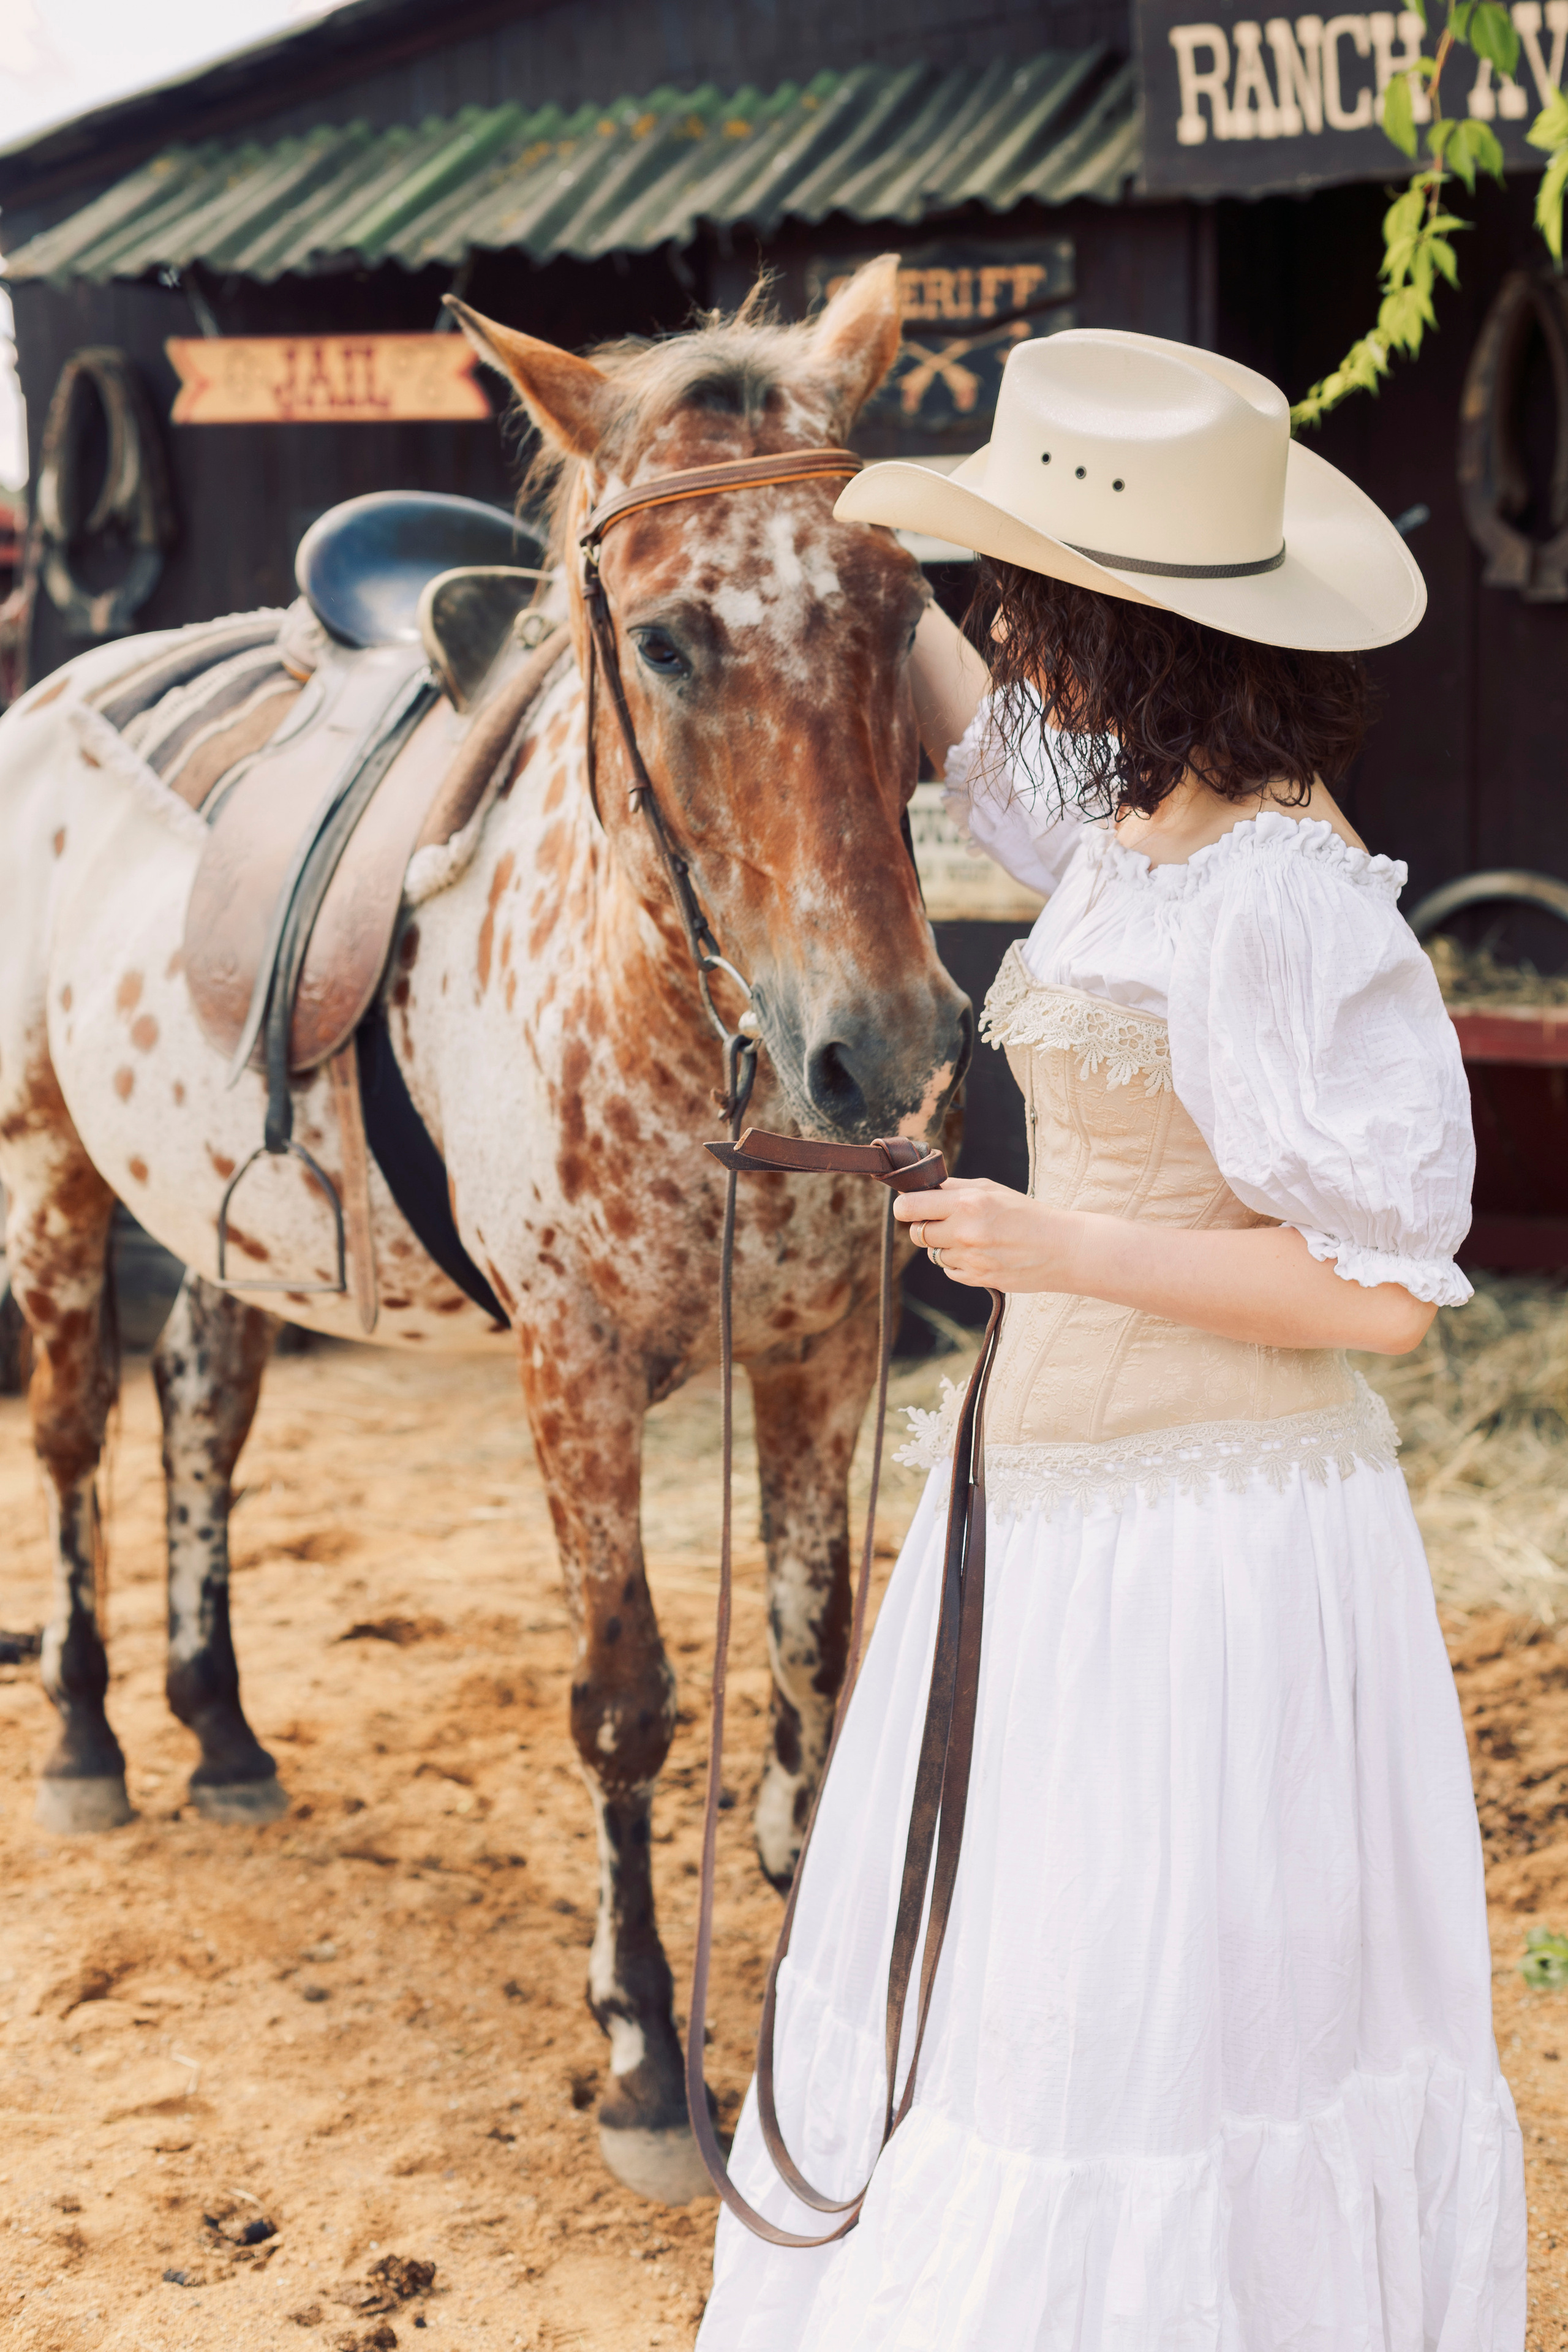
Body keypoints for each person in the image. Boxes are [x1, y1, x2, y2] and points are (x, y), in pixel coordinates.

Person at [696, 328, 1526, 2350]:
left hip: (1212, 1551)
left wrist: (1054, 1241)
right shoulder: (1133, 834)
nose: (1000, 618)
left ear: (1121, 622)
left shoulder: (1287, 902)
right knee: (1042, 2004)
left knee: (1162, 2035)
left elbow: (1385, 1305)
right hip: (1060, 1518)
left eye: (1027, 584)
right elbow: (986, 748)